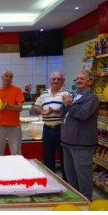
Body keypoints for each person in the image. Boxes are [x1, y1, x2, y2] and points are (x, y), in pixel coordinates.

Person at [60, 70, 99, 201]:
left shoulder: (92, 98)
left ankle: (86, 202)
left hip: (81, 143)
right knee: (71, 175)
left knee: (84, 176)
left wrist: (69, 104)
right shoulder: (76, 95)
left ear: (90, 81)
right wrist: (64, 103)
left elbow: (82, 115)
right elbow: (64, 112)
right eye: (77, 78)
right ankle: (75, 201)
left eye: (82, 78)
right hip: (68, 141)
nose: (79, 80)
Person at [33, 71, 74, 181]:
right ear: (50, 81)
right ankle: (51, 182)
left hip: (62, 129)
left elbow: (71, 110)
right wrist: (42, 111)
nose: (55, 81)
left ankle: (67, 184)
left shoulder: (68, 93)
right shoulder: (44, 93)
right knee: (48, 158)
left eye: (58, 79)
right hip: (47, 129)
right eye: (53, 79)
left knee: (64, 158)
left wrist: (55, 111)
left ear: (63, 81)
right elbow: (36, 107)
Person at [0, 70, 24, 156]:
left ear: (12, 79)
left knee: (16, 153)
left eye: (10, 77)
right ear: (2, 78)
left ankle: (16, 169)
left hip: (14, 126)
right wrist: (2, 108)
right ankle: (0, 169)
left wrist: (8, 106)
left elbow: (20, 108)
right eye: (6, 76)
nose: (8, 78)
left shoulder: (17, 90)